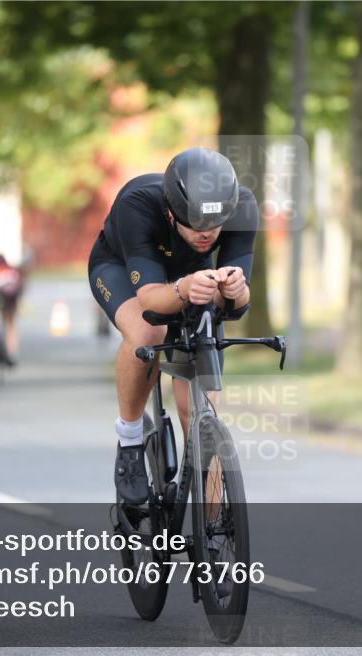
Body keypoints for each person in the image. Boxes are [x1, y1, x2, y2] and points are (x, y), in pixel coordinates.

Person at [88, 147, 258, 504]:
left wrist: (236, 292)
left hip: (193, 278)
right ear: (171, 212)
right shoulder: (139, 204)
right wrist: (183, 287)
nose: (206, 235)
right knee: (149, 333)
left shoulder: (241, 206)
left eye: (214, 226)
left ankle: (212, 542)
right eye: (195, 225)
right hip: (122, 269)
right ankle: (131, 441)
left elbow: (234, 307)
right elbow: (150, 300)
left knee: (200, 411)